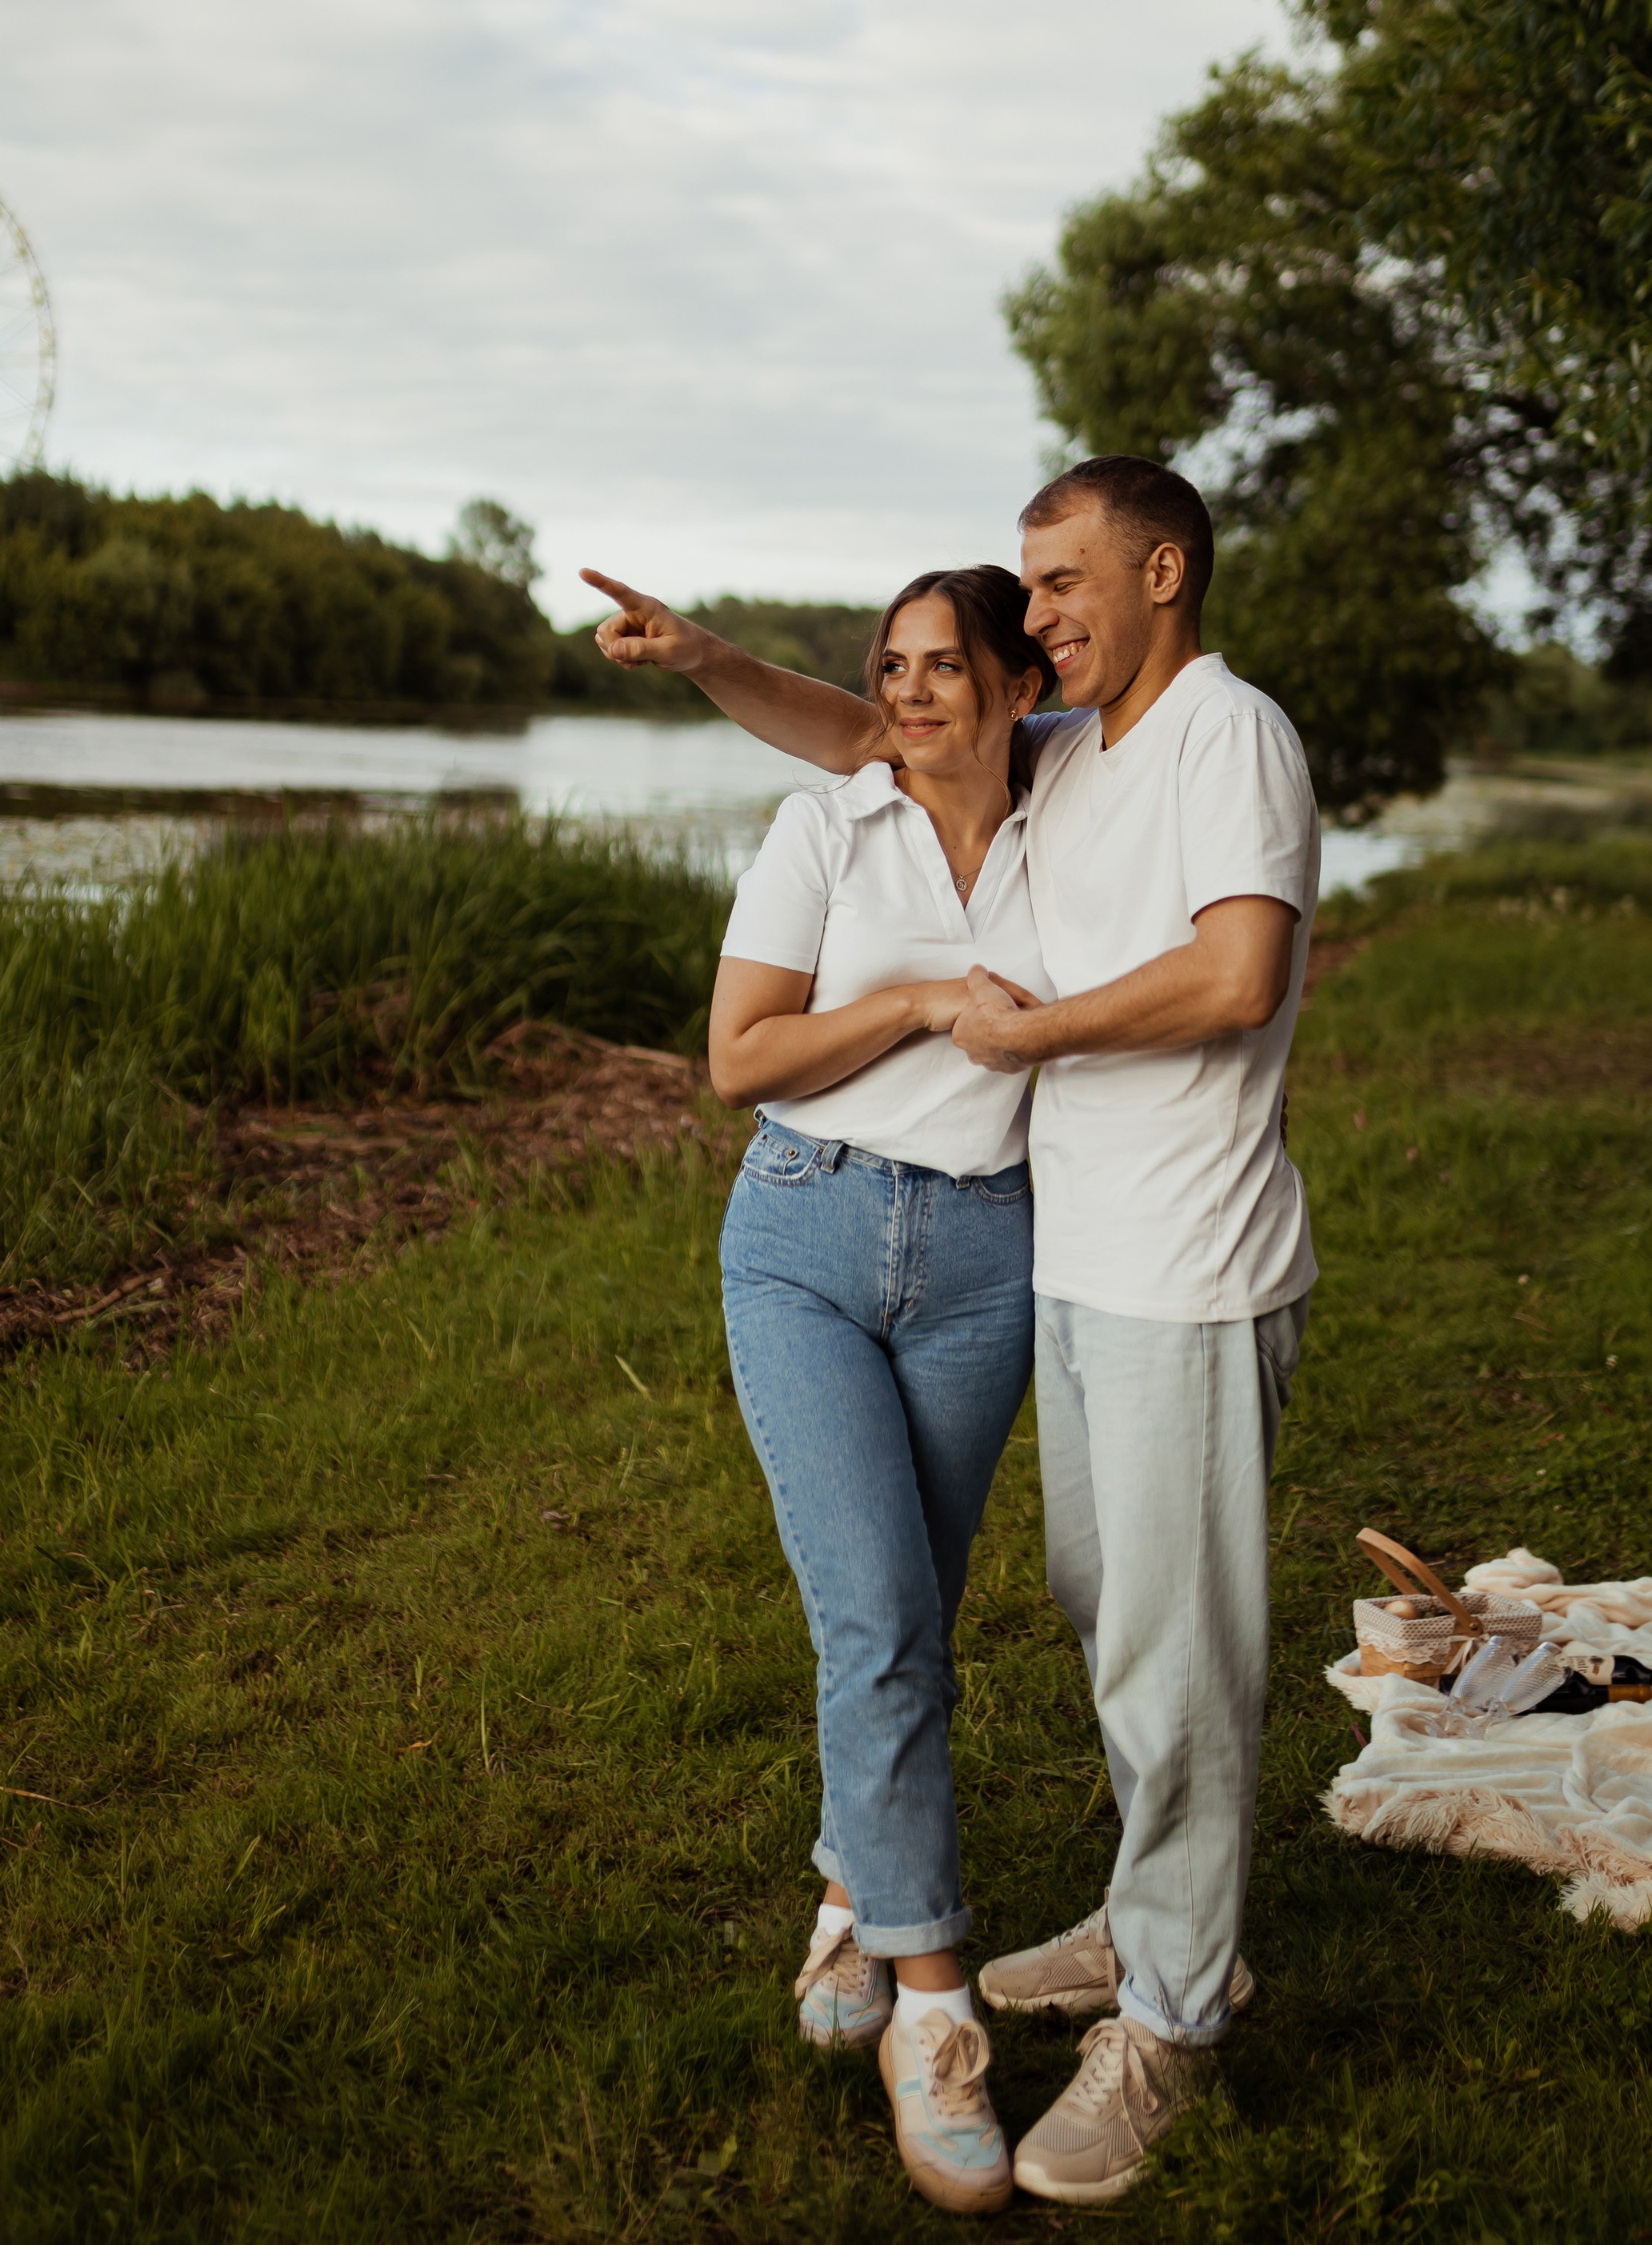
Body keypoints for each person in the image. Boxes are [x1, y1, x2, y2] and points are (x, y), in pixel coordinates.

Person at [584, 454, 1317, 2210]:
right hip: (1006, 1258)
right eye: (1026, 590)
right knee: (1057, 1611)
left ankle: (1133, 2000)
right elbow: (856, 738)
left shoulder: (1203, 735)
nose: (1038, 613)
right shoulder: (1043, 762)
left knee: (1143, 1646)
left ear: (1158, 572)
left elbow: (1236, 978)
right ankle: (1087, 1916)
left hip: (1154, 1263)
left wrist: (1032, 1031)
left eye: (1056, 584)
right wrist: (700, 659)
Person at [706, 563, 1052, 2219]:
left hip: (988, 1258)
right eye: (887, 669)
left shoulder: (1082, 814)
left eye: (941, 666)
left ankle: (851, 1890)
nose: (908, 695)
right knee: (879, 1621)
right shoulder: (823, 830)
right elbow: (740, 1058)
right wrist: (918, 1001)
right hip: (804, 1239)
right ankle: (935, 2012)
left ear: (1011, 678)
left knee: (916, 1605)